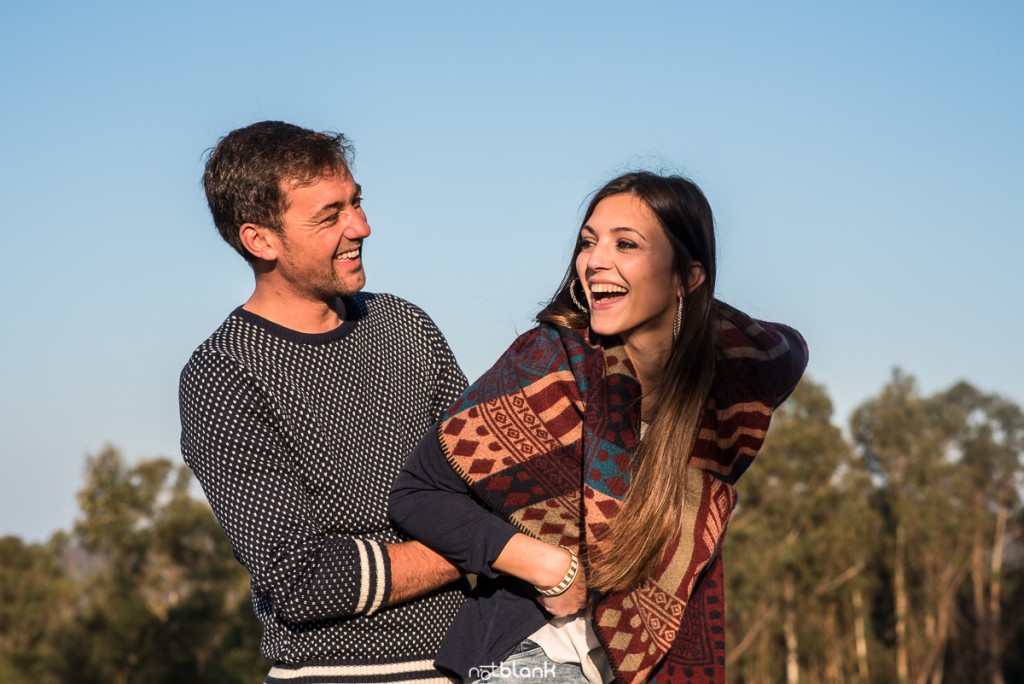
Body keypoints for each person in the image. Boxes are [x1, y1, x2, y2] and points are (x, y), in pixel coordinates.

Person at [389, 171, 808, 683]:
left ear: (688, 276)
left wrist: (696, 315)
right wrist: (547, 567)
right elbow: (420, 492)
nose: (595, 261)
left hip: (653, 667)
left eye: (626, 244)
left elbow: (786, 351)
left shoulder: (721, 379)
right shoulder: (549, 362)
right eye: (589, 243)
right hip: (533, 660)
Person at [179, 121, 468, 683]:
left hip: (474, 660)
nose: (361, 226)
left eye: (356, 203)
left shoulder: (405, 326)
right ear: (260, 239)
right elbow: (302, 579)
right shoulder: (222, 374)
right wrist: (480, 548)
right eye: (329, 215)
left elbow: (493, 477)